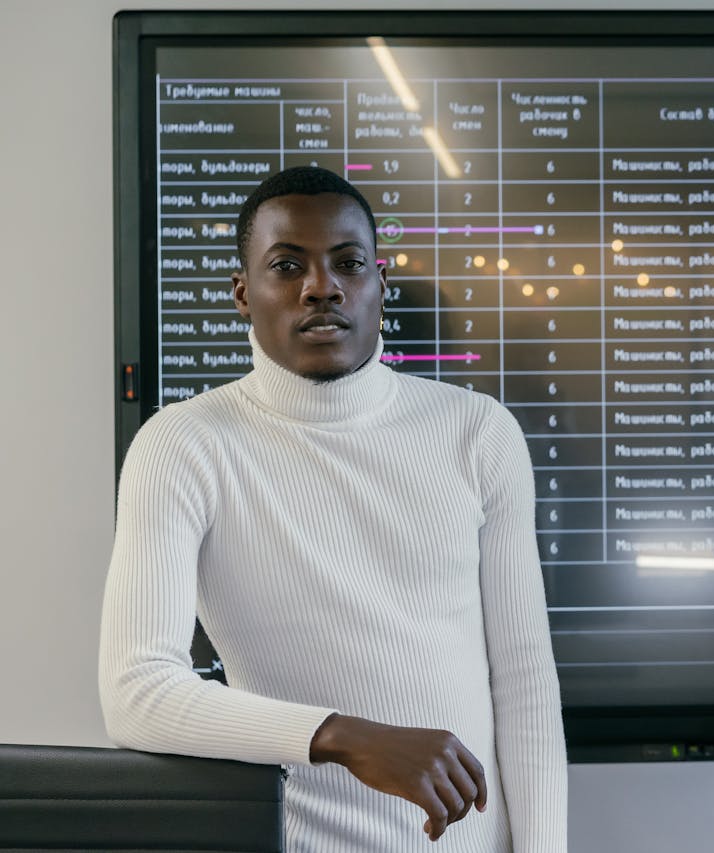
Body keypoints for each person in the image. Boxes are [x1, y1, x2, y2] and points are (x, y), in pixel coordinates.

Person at [100, 166, 567, 851]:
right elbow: (137, 693)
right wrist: (344, 736)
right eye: (287, 266)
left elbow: (523, 677)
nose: (322, 285)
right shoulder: (184, 444)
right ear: (242, 294)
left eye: (347, 263)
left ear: (378, 285)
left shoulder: (477, 431)